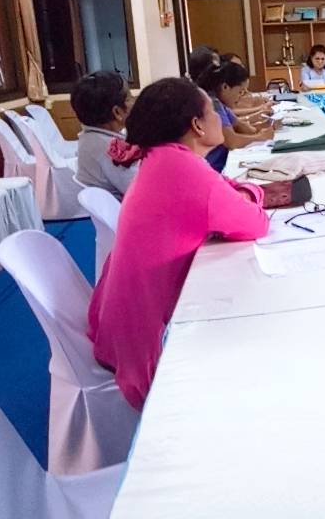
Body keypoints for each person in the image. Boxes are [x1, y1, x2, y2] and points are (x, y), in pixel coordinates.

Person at [87, 77, 272, 409]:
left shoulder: (164, 159)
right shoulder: (182, 169)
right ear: (197, 126)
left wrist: (236, 193)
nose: (220, 117)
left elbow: (220, 189)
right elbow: (255, 223)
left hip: (122, 328)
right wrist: (253, 192)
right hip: (152, 352)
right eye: (212, 112)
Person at [70, 71, 137, 200]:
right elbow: (140, 188)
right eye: (129, 97)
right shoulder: (111, 149)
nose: (134, 102)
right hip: (124, 210)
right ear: (117, 112)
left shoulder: (90, 137)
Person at [197, 61, 275, 172]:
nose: (241, 97)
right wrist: (261, 138)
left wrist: (268, 126)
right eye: (240, 91)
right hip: (213, 168)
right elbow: (232, 141)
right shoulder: (212, 104)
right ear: (225, 87)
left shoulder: (221, 105)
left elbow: (241, 126)